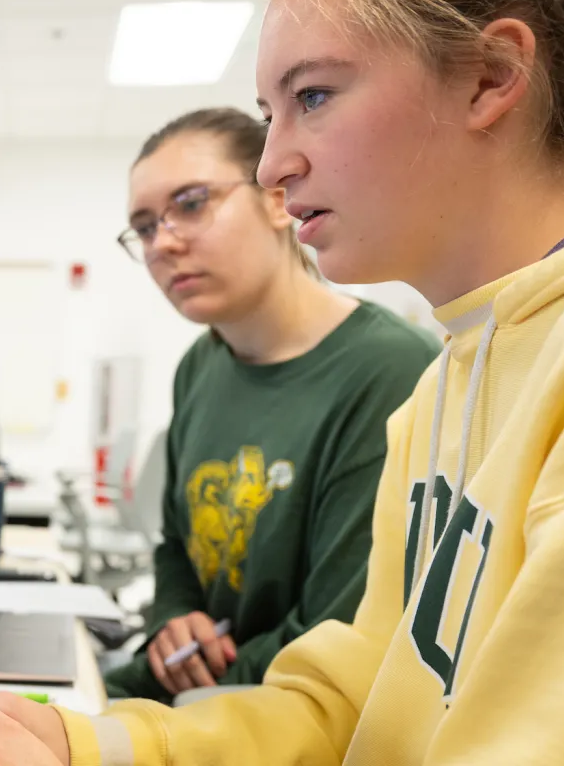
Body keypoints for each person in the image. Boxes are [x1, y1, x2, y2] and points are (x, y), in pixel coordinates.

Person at [0, 0, 564, 763]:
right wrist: (77, 744)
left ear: (490, 77)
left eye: (315, 97)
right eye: (272, 112)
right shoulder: (446, 383)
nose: (272, 166)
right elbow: (341, 706)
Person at [103, 107, 437, 702]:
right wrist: (170, 623)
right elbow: (176, 544)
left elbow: (336, 630)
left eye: (191, 203)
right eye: (145, 226)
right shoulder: (201, 367)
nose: (165, 242)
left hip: (291, 718)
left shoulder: (389, 371)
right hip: (204, 695)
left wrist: (160, 688)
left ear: (278, 200)